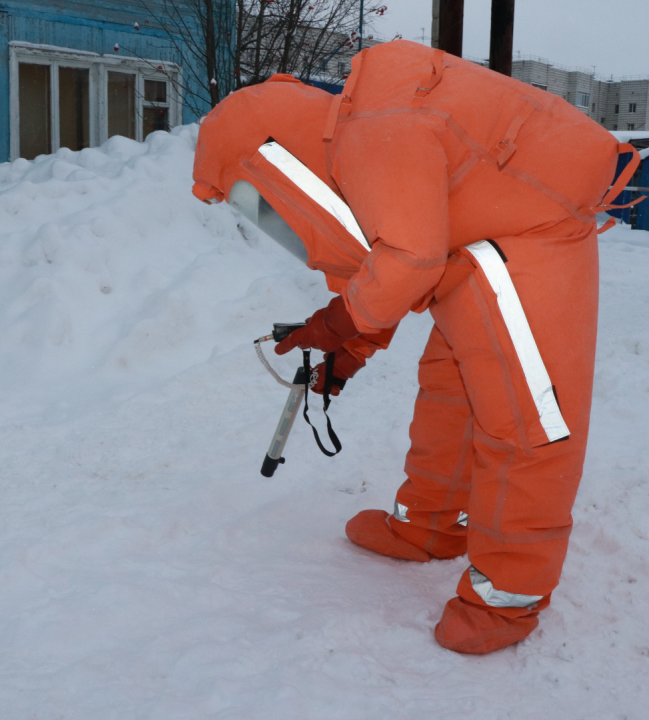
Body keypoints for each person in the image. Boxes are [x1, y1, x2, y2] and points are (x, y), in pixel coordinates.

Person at [191, 39, 638, 654]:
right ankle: (432, 526)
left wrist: (338, 324)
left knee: (526, 420)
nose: (269, 216)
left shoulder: (374, 129)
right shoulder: (358, 137)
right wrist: (350, 345)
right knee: (451, 389)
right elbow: (389, 251)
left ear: (272, 155)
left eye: (256, 196)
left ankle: (508, 598)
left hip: (529, 236)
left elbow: (406, 260)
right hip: (475, 246)